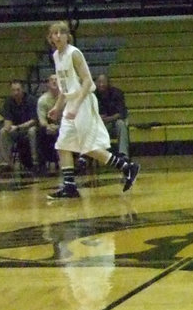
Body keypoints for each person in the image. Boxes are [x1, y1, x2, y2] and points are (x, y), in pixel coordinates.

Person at [45, 20, 141, 199]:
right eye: (55, 33)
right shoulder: (56, 56)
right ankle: (70, 186)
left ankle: (127, 167)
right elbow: (64, 87)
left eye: (61, 32)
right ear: (50, 38)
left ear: (67, 36)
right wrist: (57, 107)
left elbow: (88, 81)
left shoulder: (74, 53)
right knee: (62, 145)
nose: (58, 36)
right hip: (71, 103)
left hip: (84, 101)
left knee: (88, 148)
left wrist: (76, 106)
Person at [0, 79, 40, 173]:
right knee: (3, 132)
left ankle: (35, 162)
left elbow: (34, 120)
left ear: (23, 89)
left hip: (29, 128)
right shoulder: (8, 102)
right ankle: (6, 163)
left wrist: (18, 127)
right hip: (15, 130)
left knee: (32, 131)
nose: (16, 92)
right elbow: (8, 120)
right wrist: (7, 127)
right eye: (13, 90)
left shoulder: (31, 100)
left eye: (18, 90)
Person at [94, 74, 130, 157]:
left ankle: (123, 154)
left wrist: (109, 118)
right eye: (99, 82)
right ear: (95, 83)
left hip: (114, 124)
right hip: (100, 125)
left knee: (121, 124)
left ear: (108, 83)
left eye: (103, 82)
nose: (101, 84)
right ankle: (92, 156)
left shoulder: (117, 93)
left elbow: (122, 113)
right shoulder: (93, 96)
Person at [36, 73, 61, 172]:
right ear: (48, 84)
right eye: (52, 80)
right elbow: (42, 121)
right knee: (42, 132)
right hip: (49, 126)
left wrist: (59, 127)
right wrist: (48, 126)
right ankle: (45, 162)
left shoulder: (66, 98)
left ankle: (77, 160)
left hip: (65, 125)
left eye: (57, 79)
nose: (54, 81)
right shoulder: (42, 100)